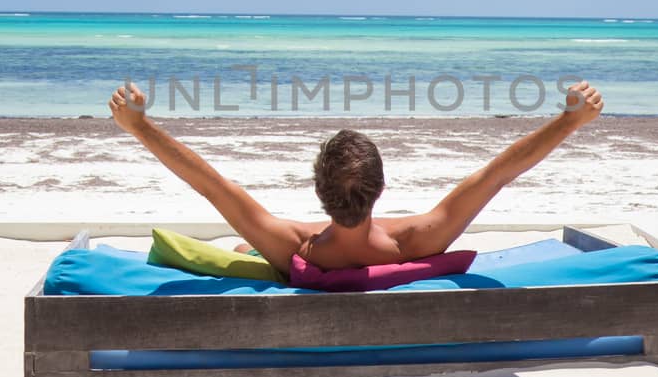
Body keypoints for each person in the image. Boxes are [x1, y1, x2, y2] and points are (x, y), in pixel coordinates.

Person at [107, 79, 604, 273]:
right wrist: (569, 120)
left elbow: (210, 184)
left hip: (292, 249)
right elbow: (496, 176)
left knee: (239, 245)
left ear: (318, 193)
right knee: (242, 246)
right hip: (380, 242)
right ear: (381, 191)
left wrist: (140, 125)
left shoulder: (291, 245)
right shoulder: (416, 241)